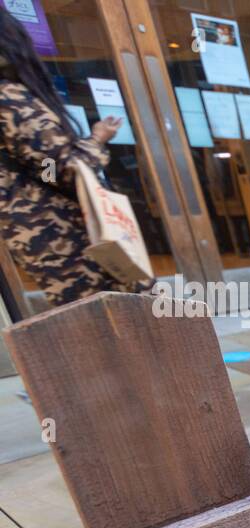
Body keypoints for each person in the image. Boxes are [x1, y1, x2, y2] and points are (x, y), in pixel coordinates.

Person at [0, 10, 145, 309]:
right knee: (132, 326)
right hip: (70, 241)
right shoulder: (8, 98)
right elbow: (57, 170)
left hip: (46, 242)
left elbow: (44, 166)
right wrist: (97, 140)